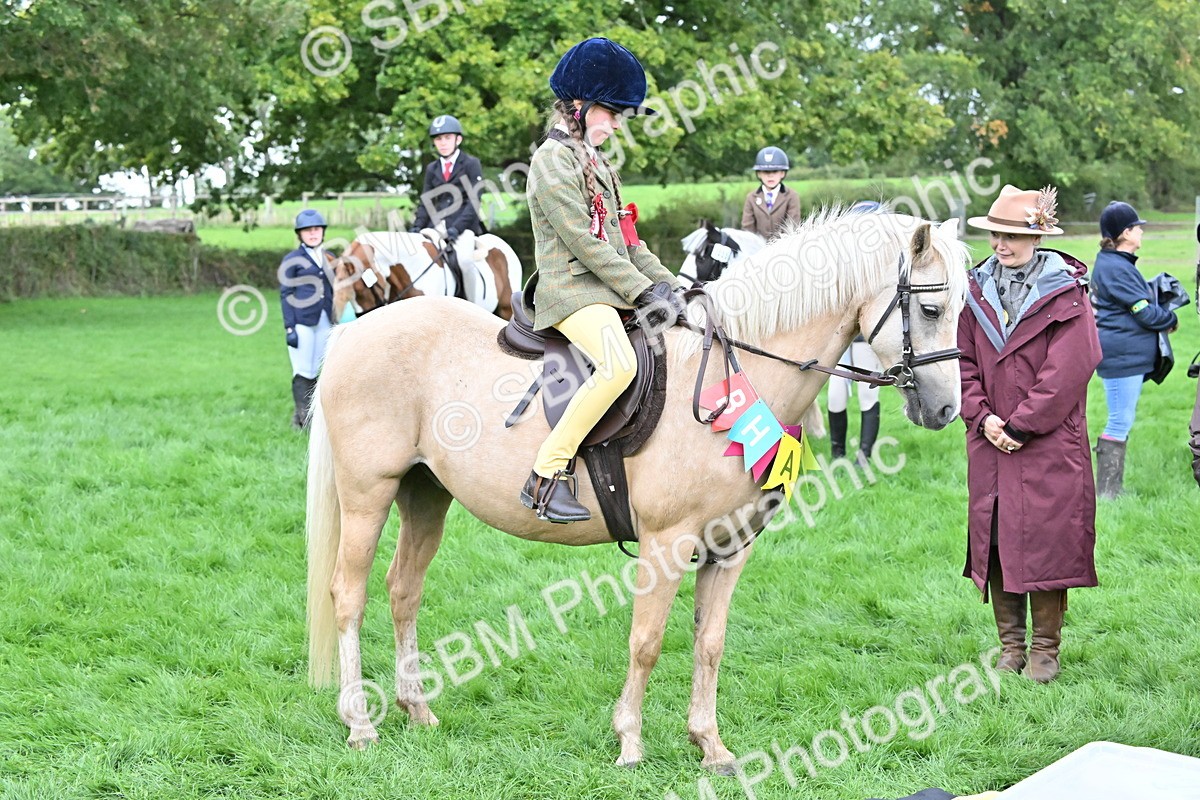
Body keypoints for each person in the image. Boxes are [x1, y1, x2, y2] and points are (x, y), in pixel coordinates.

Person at [519, 37, 685, 523]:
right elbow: (585, 245)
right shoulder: (551, 162)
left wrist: (672, 286)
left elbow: (627, 242)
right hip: (570, 291)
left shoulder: (597, 163)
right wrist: (641, 291)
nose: (616, 124)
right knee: (619, 365)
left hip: (606, 288)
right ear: (577, 105)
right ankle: (546, 474)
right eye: (611, 113)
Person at [959, 184, 1102, 683]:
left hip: (1047, 443)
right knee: (997, 540)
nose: (1001, 244)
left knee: (1045, 542)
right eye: (996, 234)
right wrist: (983, 418)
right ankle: (1010, 647)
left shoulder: (1068, 295)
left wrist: (1021, 424)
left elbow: (1069, 370)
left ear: (1037, 236)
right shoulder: (974, 293)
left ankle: (1045, 651)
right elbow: (962, 363)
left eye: (1012, 235)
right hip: (990, 441)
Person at [1089, 201, 1178, 497]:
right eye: (1137, 227)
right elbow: (1144, 313)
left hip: (1126, 354)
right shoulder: (1116, 267)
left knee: (1122, 417)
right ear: (1126, 233)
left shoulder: (1117, 263)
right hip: (1121, 356)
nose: (1141, 231)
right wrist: (1171, 317)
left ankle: (1110, 490)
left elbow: (1137, 304)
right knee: (1119, 419)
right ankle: (1107, 492)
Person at [828, 201, 885, 466]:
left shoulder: (883, 266)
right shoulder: (842, 262)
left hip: (865, 337)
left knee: (867, 394)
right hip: (840, 336)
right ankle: (837, 454)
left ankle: (864, 456)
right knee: (835, 394)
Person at [280, 209, 337, 429]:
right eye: (308, 231)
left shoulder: (330, 256)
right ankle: (302, 418)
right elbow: (285, 295)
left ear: (322, 232)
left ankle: (318, 414)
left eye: (316, 230)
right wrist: (289, 327)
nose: (313, 234)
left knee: (320, 367)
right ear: (300, 234)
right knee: (304, 368)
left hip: (325, 318)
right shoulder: (292, 260)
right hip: (302, 320)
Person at [409, 114, 487, 244]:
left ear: (458, 140)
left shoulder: (471, 164)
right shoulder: (432, 168)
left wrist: (457, 228)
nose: (443, 143)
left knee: (464, 259)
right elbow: (426, 201)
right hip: (436, 226)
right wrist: (417, 226)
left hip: (464, 228)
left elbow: (474, 201)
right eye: (438, 139)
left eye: (448, 138)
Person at [740, 146, 801, 239]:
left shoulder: (791, 196)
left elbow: (792, 226)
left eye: (775, 171)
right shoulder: (751, 198)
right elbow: (748, 229)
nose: (770, 176)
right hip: (758, 248)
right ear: (759, 174)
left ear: (782, 173)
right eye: (765, 172)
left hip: (784, 247)